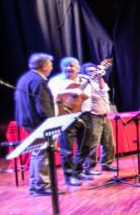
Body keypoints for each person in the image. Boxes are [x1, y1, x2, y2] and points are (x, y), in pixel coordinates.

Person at [48, 57, 94, 187]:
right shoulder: (56, 81)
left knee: (85, 146)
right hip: (66, 116)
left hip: (85, 114)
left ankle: (78, 172)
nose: (69, 68)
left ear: (78, 68)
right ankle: (69, 176)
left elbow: (88, 96)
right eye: (66, 66)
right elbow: (53, 96)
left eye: (72, 66)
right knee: (67, 149)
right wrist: (70, 91)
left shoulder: (85, 79)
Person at [14, 52, 56, 196]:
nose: (51, 68)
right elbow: (43, 105)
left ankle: (36, 185)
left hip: (28, 120)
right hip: (38, 122)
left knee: (37, 152)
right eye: (50, 65)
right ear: (44, 66)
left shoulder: (25, 78)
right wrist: (53, 122)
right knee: (43, 153)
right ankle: (42, 186)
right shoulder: (38, 80)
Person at [80, 62, 115, 176]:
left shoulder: (98, 82)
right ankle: (88, 168)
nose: (92, 73)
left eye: (93, 70)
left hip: (105, 116)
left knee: (109, 143)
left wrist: (100, 76)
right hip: (94, 117)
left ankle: (107, 164)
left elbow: (103, 89)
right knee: (92, 144)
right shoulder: (85, 84)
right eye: (89, 71)